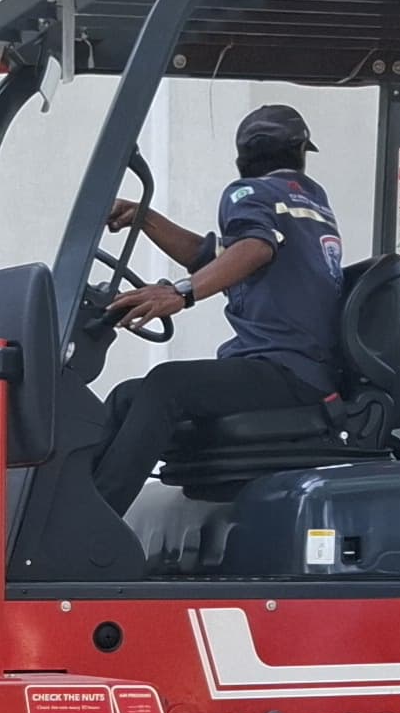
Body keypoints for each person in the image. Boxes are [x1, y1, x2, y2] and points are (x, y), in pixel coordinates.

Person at [88, 104, 347, 512]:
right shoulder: (307, 200)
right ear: (300, 152)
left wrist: (181, 293)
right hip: (300, 369)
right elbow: (219, 257)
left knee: (165, 386)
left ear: (241, 159)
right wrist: (146, 218)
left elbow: (254, 247)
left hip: (284, 371)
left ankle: (91, 526)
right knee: (126, 397)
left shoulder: (250, 194)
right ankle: (70, 512)